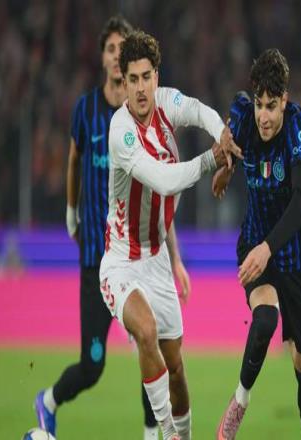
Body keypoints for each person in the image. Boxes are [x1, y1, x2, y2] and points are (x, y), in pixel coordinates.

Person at [99, 29, 241, 440]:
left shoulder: (165, 103)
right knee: (145, 331)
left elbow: (197, 110)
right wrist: (211, 159)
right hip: (121, 261)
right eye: (133, 79)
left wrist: (222, 136)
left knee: (176, 367)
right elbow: (163, 180)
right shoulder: (121, 130)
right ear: (124, 83)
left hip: (158, 258)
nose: (141, 88)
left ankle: (185, 435)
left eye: (147, 77)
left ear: (156, 77)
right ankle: (168, 434)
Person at [33, 16, 167, 440]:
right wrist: (71, 210)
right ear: (104, 58)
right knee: (92, 365)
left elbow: (157, 189)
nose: (116, 57)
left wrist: (174, 256)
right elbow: (74, 160)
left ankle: (151, 435)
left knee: (149, 341)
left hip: (136, 257)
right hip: (96, 257)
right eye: (110, 49)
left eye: (122, 50)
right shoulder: (86, 110)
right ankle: (48, 400)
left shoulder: (141, 116)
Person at [213, 49, 301, 440]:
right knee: (265, 319)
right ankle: (239, 402)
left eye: (271, 106)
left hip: (290, 254)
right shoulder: (244, 115)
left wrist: (268, 248)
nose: (264, 116)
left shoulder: (296, 127)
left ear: (284, 101)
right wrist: (226, 166)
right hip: (254, 245)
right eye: (260, 104)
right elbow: (230, 128)